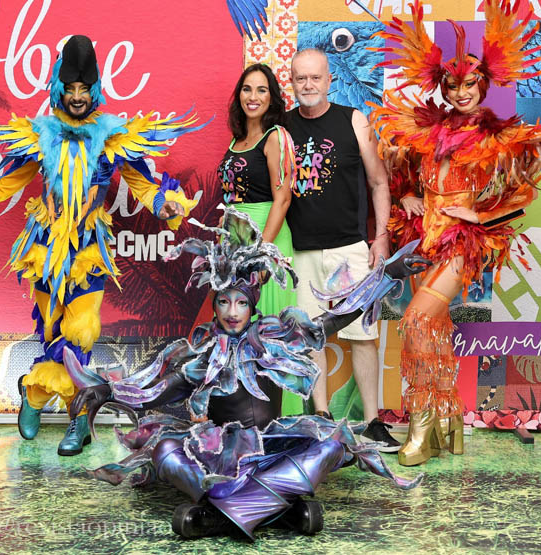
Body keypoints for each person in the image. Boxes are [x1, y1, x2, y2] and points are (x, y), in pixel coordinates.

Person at [0, 35, 202, 456]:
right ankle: (34, 392)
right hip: (44, 251)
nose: (77, 97)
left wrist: (166, 204)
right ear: (58, 88)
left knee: (81, 332)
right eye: (71, 88)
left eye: (85, 89)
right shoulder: (38, 136)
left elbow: (144, 185)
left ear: (95, 89)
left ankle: (78, 421)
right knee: (52, 335)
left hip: (88, 252)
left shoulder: (114, 137)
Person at [67, 207, 429, 540]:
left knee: (333, 443)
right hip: (219, 457)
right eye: (224, 302)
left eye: (241, 302)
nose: (232, 312)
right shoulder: (205, 351)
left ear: (252, 305)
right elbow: (161, 389)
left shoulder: (274, 338)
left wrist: (388, 274)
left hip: (271, 450)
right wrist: (109, 392)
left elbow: (334, 319)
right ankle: (280, 510)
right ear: (214, 305)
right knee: (163, 449)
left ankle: (219, 515)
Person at [370, 0, 541, 466]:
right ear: (443, 87)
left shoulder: (496, 135)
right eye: (453, 85)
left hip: (459, 244)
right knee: (435, 330)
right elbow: (400, 174)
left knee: (416, 321)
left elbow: (524, 191)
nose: (461, 93)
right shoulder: (427, 129)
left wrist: (479, 216)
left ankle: (420, 426)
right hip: (423, 240)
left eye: (469, 84)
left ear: (483, 84)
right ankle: (448, 421)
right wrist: (407, 196)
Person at [285, 48, 398, 451]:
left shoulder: (354, 120)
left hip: (350, 248)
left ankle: (372, 421)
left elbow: (379, 182)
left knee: (362, 335)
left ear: (329, 80)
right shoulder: (281, 128)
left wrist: (381, 236)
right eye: (301, 78)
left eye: (315, 77)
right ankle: (321, 416)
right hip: (300, 250)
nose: (308, 85)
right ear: (291, 82)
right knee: (311, 335)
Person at [217, 63, 300, 414]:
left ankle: (279, 416)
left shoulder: (276, 136)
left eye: (262, 90)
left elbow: (283, 199)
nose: (253, 96)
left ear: (272, 97)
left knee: (268, 330)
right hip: (235, 242)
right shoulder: (236, 142)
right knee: (238, 327)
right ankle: (244, 414)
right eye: (247, 89)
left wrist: (262, 253)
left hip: (267, 238)